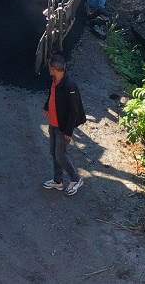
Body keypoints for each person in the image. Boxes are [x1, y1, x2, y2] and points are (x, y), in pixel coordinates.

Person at [43, 55, 87, 195]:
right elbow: (52, 95)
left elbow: (74, 111)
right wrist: (46, 107)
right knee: (53, 153)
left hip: (62, 128)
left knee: (60, 155)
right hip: (53, 124)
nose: (48, 69)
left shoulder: (70, 86)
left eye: (50, 67)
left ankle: (76, 179)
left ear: (55, 69)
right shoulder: (55, 80)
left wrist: (68, 132)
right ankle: (58, 181)